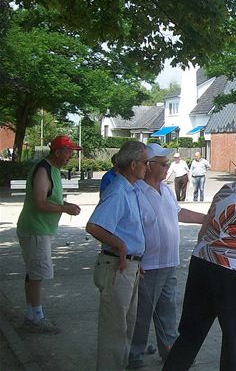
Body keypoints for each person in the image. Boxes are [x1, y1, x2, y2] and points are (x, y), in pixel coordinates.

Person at [163, 146, 236, 371]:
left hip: (201, 264)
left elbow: (204, 229)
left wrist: (204, 255)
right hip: (229, 274)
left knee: (190, 335)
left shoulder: (225, 190)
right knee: (232, 339)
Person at [127, 144, 206, 370]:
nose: (167, 167)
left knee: (167, 310)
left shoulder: (166, 190)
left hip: (169, 262)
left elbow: (179, 213)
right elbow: (129, 228)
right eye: (163, 164)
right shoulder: (137, 192)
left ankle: (170, 352)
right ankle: (134, 357)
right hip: (148, 265)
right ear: (149, 166)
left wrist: (206, 218)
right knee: (143, 314)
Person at [86, 141, 148, 371]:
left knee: (125, 330)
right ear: (133, 165)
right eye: (145, 162)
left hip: (128, 267)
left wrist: (135, 257)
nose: (147, 167)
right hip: (116, 267)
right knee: (114, 333)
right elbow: (94, 226)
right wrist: (122, 247)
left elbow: (127, 228)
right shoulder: (118, 191)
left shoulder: (130, 189)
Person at [16, 135, 81, 334]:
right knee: (38, 273)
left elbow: (48, 200)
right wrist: (65, 209)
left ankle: (32, 315)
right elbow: (40, 202)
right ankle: (36, 318)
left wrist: (65, 205)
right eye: (69, 151)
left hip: (39, 229)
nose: (71, 155)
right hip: (36, 229)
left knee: (33, 273)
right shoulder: (43, 169)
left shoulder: (52, 169)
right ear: (58, 151)